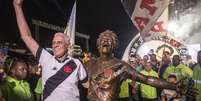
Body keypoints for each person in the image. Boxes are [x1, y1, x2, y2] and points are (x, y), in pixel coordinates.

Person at [86, 30, 196, 101]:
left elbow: (147, 79)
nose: (105, 41)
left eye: (109, 40)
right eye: (103, 39)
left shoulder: (121, 66)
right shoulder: (88, 64)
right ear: (98, 44)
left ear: (114, 45)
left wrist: (174, 86)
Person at [13, 0, 88, 101]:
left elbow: (87, 85)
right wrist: (17, 6)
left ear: (68, 45)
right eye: (53, 43)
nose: (55, 45)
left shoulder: (77, 63)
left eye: (59, 42)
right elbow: (26, 36)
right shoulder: (45, 58)